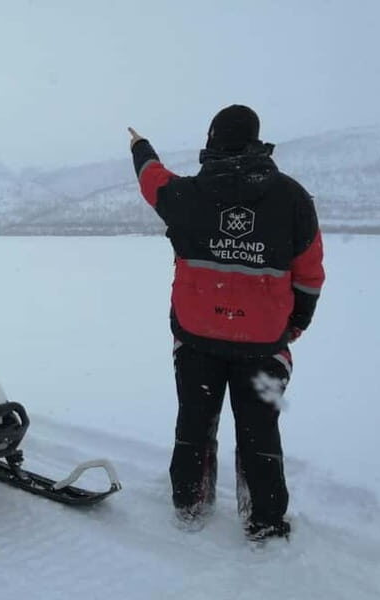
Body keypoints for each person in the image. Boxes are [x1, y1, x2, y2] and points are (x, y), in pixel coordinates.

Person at [127, 105, 325, 541]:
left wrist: (140, 146)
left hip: (196, 340)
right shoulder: (292, 198)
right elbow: (310, 275)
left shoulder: (187, 195)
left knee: (195, 423)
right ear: (256, 139)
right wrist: (292, 327)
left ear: (213, 138)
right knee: (260, 430)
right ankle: (266, 521)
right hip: (263, 347)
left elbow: (151, 179)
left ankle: (189, 505)